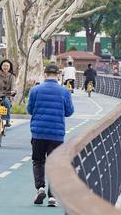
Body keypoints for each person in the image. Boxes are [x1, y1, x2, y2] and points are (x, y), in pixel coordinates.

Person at [26, 64, 74, 207]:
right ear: (58, 75)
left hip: (38, 132)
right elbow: (69, 112)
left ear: (45, 74)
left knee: (38, 161)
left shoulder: (35, 90)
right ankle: (52, 197)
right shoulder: (65, 91)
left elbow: (29, 109)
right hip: (57, 134)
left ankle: (40, 187)